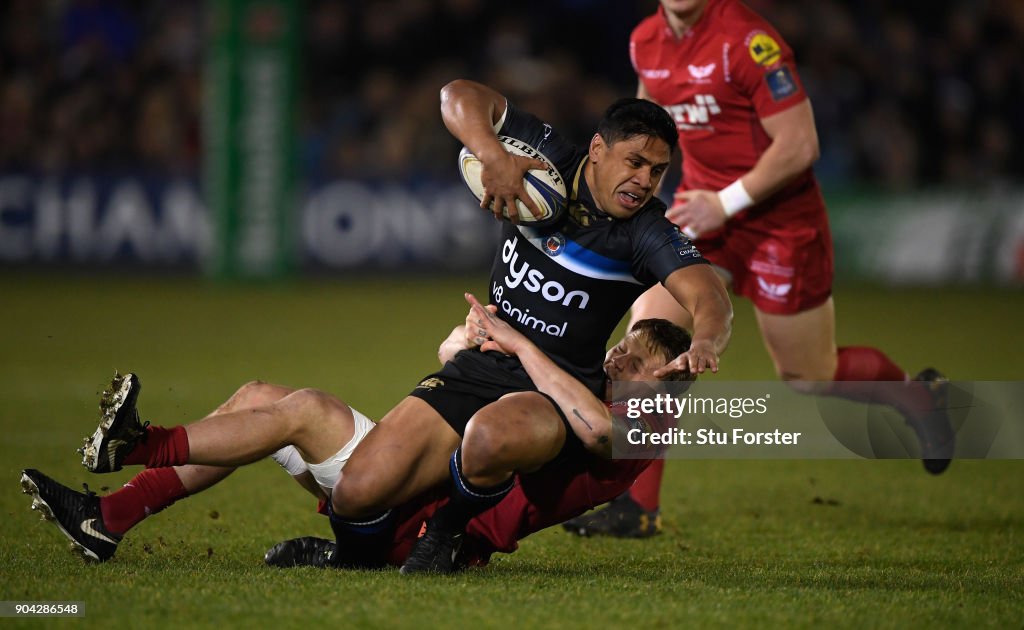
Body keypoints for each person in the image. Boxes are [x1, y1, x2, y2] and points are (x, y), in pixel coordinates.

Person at [561, 0, 954, 539]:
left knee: (809, 376)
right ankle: (636, 504)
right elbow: (644, 130)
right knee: (647, 343)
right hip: (703, 215)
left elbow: (801, 143)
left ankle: (919, 397)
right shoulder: (646, 41)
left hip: (779, 223)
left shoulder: (747, 40)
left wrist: (726, 202)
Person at [325, 79, 732, 574]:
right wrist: (488, 152)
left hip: (553, 387)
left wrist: (707, 338)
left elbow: (708, 294)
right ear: (599, 150)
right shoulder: (550, 158)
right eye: (636, 163)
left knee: (495, 437)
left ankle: (448, 533)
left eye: (659, 170)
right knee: (356, 491)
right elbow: (457, 95)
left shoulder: (647, 233)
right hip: (482, 362)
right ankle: (342, 554)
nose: (646, 181)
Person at [19, 298, 692, 568]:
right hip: (416, 488)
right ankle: (108, 518)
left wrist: (519, 343)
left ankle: (138, 445)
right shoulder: (585, 390)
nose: (616, 360)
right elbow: (469, 372)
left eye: (636, 362)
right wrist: (475, 345)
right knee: (259, 396)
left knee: (304, 409)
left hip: (423, 519)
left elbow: (597, 423)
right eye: (620, 349)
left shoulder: (630, 430)